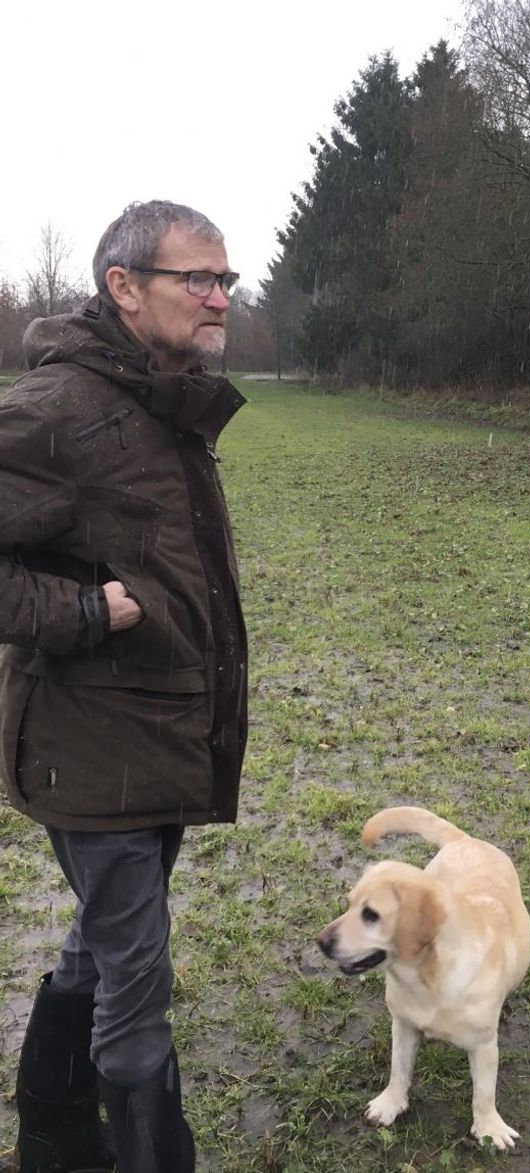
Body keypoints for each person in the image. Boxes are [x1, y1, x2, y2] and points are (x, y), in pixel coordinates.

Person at [0, 201, 248, 1173]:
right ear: (124, 287)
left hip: (159, 739)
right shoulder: (62, 409)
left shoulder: (161, 394)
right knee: (136, 982)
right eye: (198, 278)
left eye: (226, 279)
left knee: (101, 952)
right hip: (91, 750)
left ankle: (55, 1141)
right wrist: (83, 615)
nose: (220, 296)